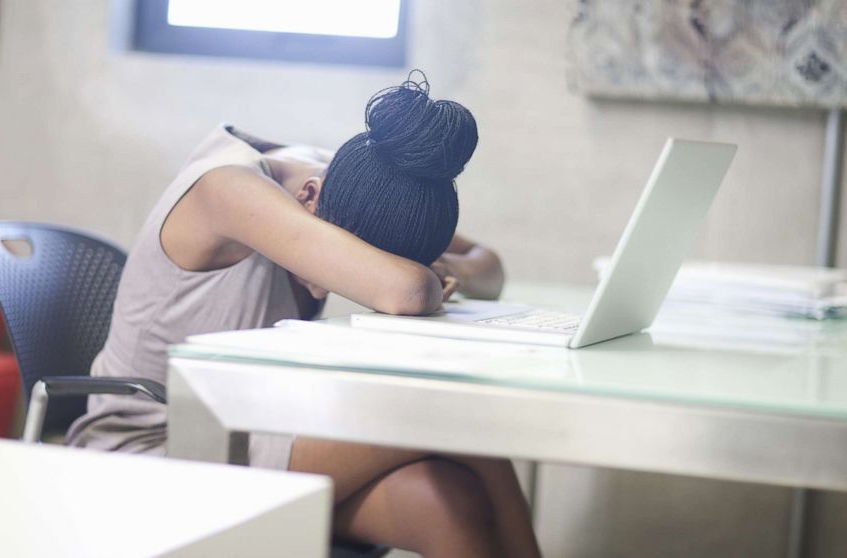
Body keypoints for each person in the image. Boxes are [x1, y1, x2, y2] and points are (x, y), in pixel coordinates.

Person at [67, 72, 540, 557]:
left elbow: (490, 268)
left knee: (446, 502)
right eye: (339, 258)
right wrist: (410, 274)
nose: (328, 277)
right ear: (309, 196)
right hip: (159, 451)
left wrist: (437, 264)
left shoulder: (360, 181)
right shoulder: (227, 188)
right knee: (457, 420)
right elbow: (409, 291)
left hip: (255, 430)